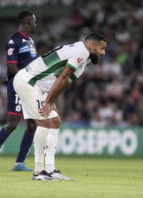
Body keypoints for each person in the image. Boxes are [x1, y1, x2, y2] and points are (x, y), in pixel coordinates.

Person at [14, 33, 107, 180]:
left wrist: (51, 100)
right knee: (45, 121)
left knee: (55, 121)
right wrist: (49, 101)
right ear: (91, 45)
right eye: (101, 48)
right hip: (29, 81)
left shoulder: (84, 57)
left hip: (38, 86)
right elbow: (63, 76)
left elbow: (64, 82)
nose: (103, 52)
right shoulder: (81, 52)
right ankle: (38, 172)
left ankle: (50, 170)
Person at [0, 11, 37, 171]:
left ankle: (19, 163)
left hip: (30, 86)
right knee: (12, 124)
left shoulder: (30, 41)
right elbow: (12, 66)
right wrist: (26, 80)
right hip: (18, 85)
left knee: (33, 124)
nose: (36, 24)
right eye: (34, 21)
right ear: (28, 22)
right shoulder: (14, 41)